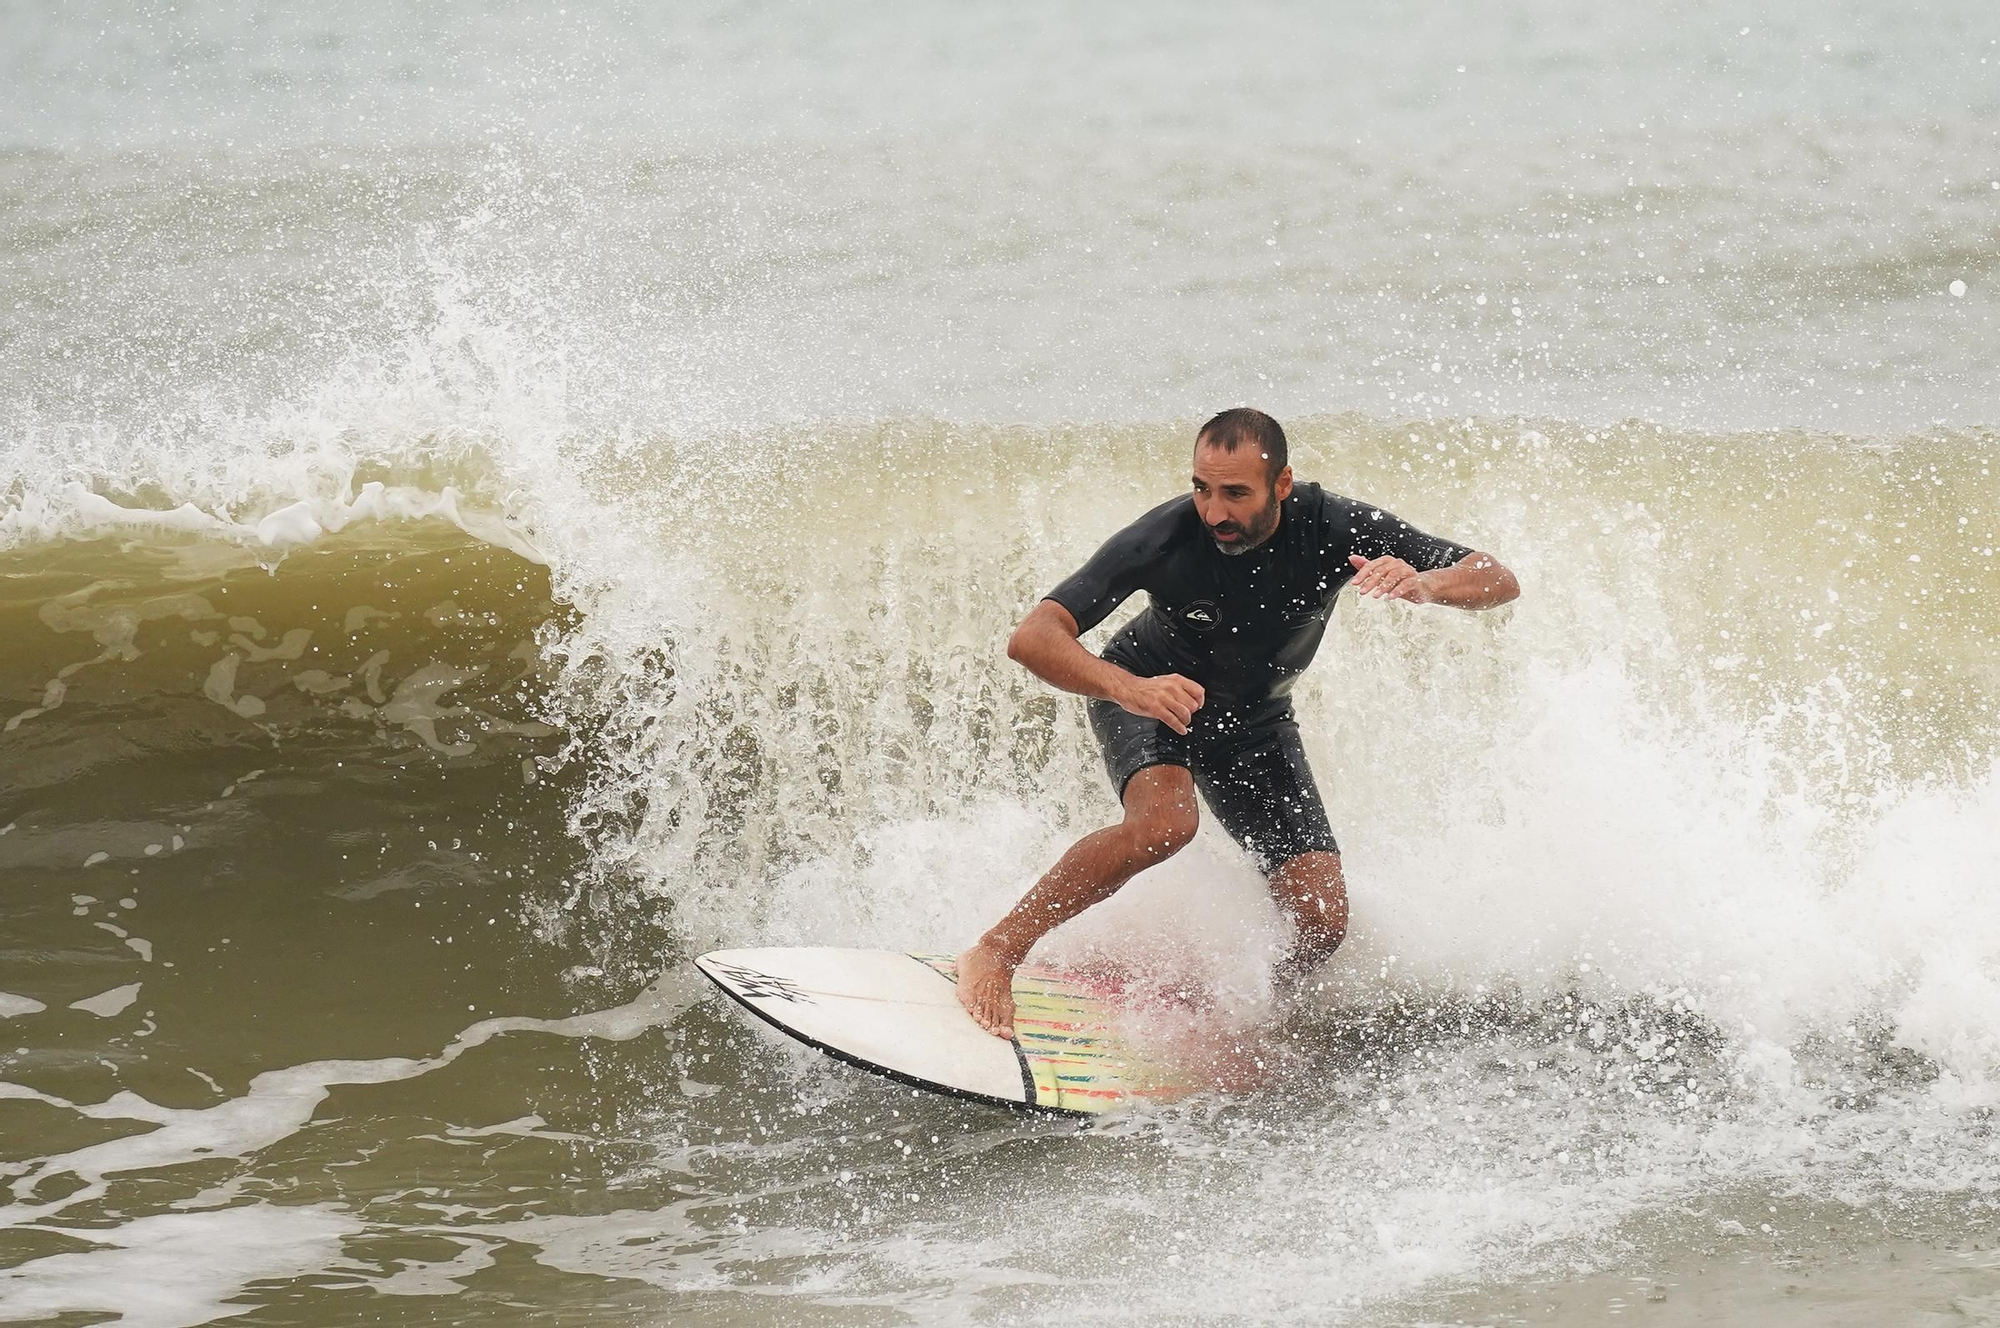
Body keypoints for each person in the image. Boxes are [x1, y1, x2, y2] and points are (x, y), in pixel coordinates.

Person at [956, 408, 1520, 1039]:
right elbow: (1033, 638)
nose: (1214, 512)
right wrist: (1130, 689)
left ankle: (1253, 1009)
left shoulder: (1335, 526)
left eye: (1235, 493)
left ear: (1281, 485)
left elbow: (1496, 578)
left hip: (1255, 723)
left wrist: (1426, 583)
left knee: (1322, 922)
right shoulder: (1165, 537)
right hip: (1151, 693)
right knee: (1165, 826)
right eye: (1202, 488)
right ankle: (997, 950)